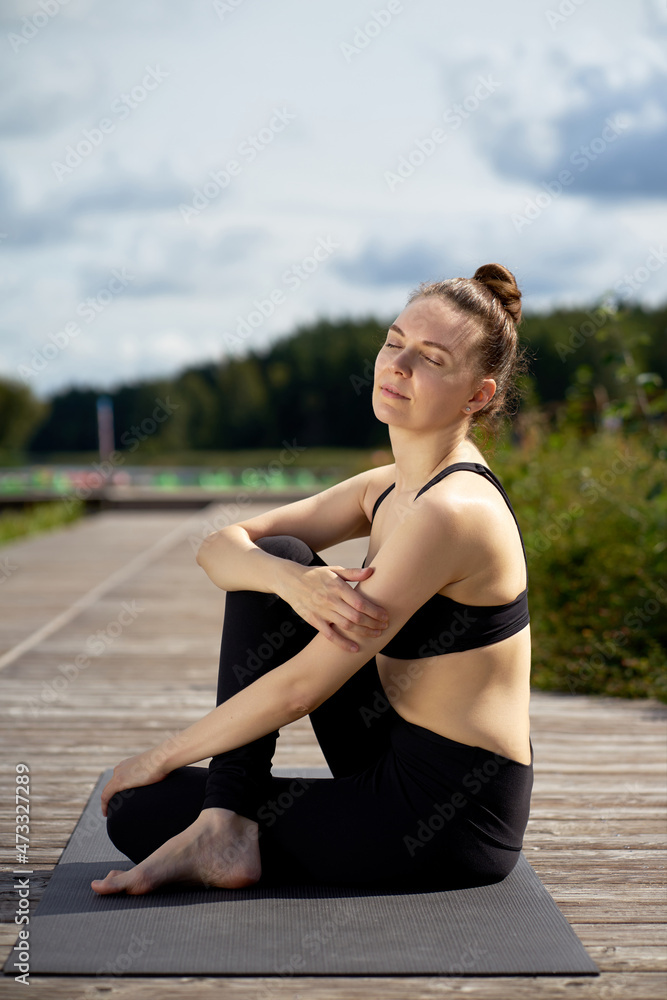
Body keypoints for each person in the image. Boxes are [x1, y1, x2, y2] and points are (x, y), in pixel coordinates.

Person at [91, 262, 533, 896]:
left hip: (448, 813)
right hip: (384, 748)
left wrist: (160, 756)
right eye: (393, 341)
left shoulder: (454, 510)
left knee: (139, 806)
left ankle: (222, 823)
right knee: (280, 553)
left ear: (478, 396)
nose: (398, 365)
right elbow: (219, 548)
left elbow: (302, 687)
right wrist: (289, 580)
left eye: (432, 358)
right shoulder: (387, 487)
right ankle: (224, 823)